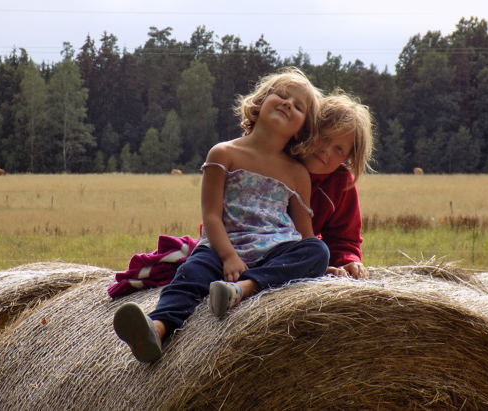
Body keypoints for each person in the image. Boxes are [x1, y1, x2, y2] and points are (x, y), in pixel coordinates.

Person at [113, 67, 330, 363]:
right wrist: (228, 256)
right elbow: (212, 216)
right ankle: (156, 328)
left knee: (318, 249)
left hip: (274, 250)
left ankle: (241, 289)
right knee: (190, 275)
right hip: (222, 246)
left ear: (302, 129)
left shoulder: (297, 174)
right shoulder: (224, 153)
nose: (288, 103)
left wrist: (318, 267)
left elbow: (305, 234)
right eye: (280, 95)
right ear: (259, 102)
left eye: (299, 106)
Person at [302, 90, 374, 280]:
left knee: (318, 250)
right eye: (324, 137)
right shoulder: (279, 159)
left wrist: (348, 260)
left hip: (302, 253)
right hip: (255, 246)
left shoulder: (340, 182)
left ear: (348, 157)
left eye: (339, 148)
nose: (326, 150)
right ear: (310, 129)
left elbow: (344, 239)